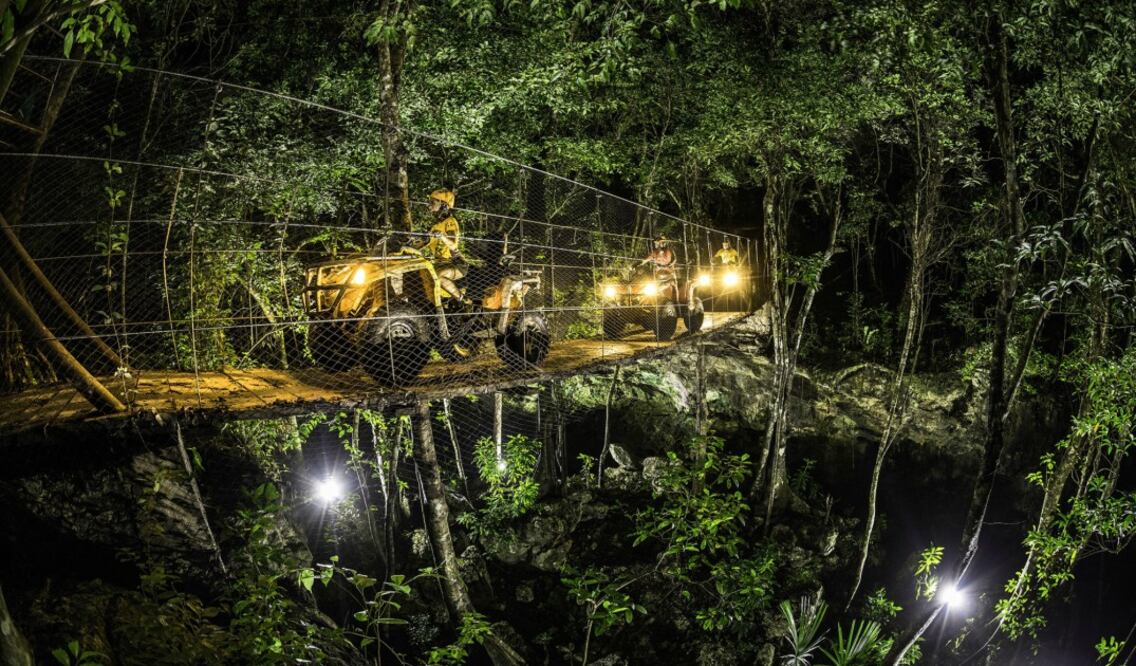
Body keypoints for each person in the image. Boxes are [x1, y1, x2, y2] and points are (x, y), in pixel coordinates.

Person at [420, 188, 467, 301]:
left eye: (433, 202)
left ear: (444, 205)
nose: (429, 205)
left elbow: (453, 246)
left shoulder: (450, 222)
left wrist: (442, 237)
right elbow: (424, 243)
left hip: (455, 263)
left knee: (438, 277)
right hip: (438, 263)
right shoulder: (435, 227)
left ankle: (462, 300)